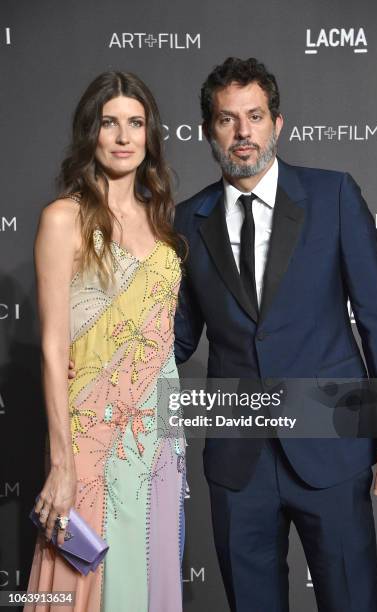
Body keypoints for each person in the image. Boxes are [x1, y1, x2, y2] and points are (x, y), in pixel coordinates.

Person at [173, 57, 377, 611]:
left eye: (254, 116)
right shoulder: (186, 220)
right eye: (228, 119)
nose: (243, 132)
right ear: (210, 130)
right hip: (238, 460)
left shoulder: (334, 197)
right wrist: (101, 367)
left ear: (277, 123)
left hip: (332, 446)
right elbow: (177, 337)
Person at [26, 71, 185, 612]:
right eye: (109, 123)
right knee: (86, 587)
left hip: (159, 445)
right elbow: (52, 348)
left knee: (150, 580)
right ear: (90, 133)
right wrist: (61, 462)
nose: (123, 136)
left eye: (135, 123)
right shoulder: (62, 220)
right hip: (90, 446)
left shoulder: (162, 226)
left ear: (149, 134)